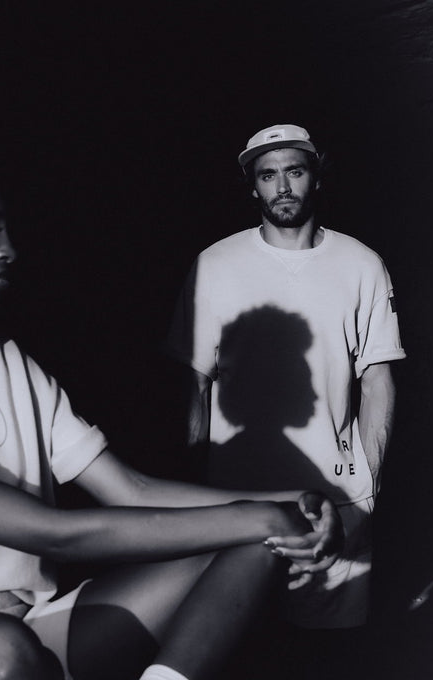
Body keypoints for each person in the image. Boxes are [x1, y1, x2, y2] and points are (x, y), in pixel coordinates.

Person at [0, 103, 343, 680]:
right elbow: (58, 536)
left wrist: (293, 505)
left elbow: (130, 491)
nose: (9, 249)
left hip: (25, 633)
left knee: (256, 539)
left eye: (8, 228)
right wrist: (258, 515)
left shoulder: (3, 362)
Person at [166, 124, 406, 650]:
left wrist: (367, 489)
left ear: (316, 177)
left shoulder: (362, 264)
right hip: (237, 503)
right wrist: (198, 497)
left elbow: (377, 380)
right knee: (240, 649)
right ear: (253, 187)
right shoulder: (215, 264)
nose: (281, 187)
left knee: (326, 653)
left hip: (337, 500)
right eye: (267, 175)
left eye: (294, 171)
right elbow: (194, 384)